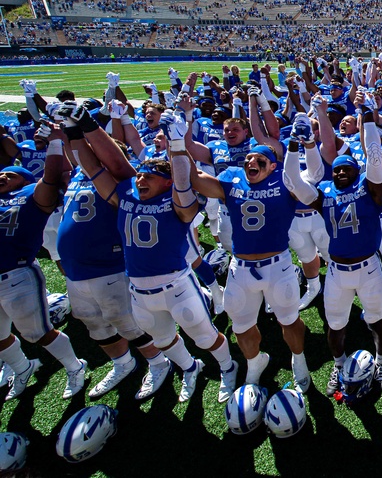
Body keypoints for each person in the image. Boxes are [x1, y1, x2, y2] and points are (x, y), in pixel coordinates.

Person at [69, 106, 236, 403]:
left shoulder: (178, 202)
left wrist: (175, 146)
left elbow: (183, 186)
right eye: (140, 175)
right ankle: (189, 367)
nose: (141, 180)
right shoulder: (127, 196)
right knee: (162, 339)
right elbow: (93, 168)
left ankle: (227, 366)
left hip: (177, 286)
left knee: (206, 337)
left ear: (167, 181)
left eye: (150, 176)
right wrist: (75, 129)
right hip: (139, 290)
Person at [183, 111, 312, 393]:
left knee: (289, 320)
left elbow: (309, 177)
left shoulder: (285, 182)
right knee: (241, 325)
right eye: (249, 158)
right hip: (240, 268)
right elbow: (194, 178)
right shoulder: (231, 181)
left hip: (277, 265)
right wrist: (178, 142)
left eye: (260, 158)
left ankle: (298, 359)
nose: (251, 161)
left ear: (273, 166)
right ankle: (255, 362)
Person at [283, 97, 382, 398]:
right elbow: (292, 180)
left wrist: (368, 116)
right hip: (337, 269)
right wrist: (295, 144)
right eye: (337, 170)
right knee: (335, 323)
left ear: (357, 173)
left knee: (376, 319)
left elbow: (373, 155)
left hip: (368, 267)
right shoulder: (323, 194)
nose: (341, 172)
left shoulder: (370, 189)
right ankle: (339, 363)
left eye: (347, 169)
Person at [0, 121, 89, 401]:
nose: (3, 177)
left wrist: (54, 142)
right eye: (1, 174)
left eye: (10, 175)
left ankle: (75, 367)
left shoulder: (30, 195)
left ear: (26, 181)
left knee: (39, 333)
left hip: (17, 273)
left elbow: (51, 178)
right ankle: (22, 367)